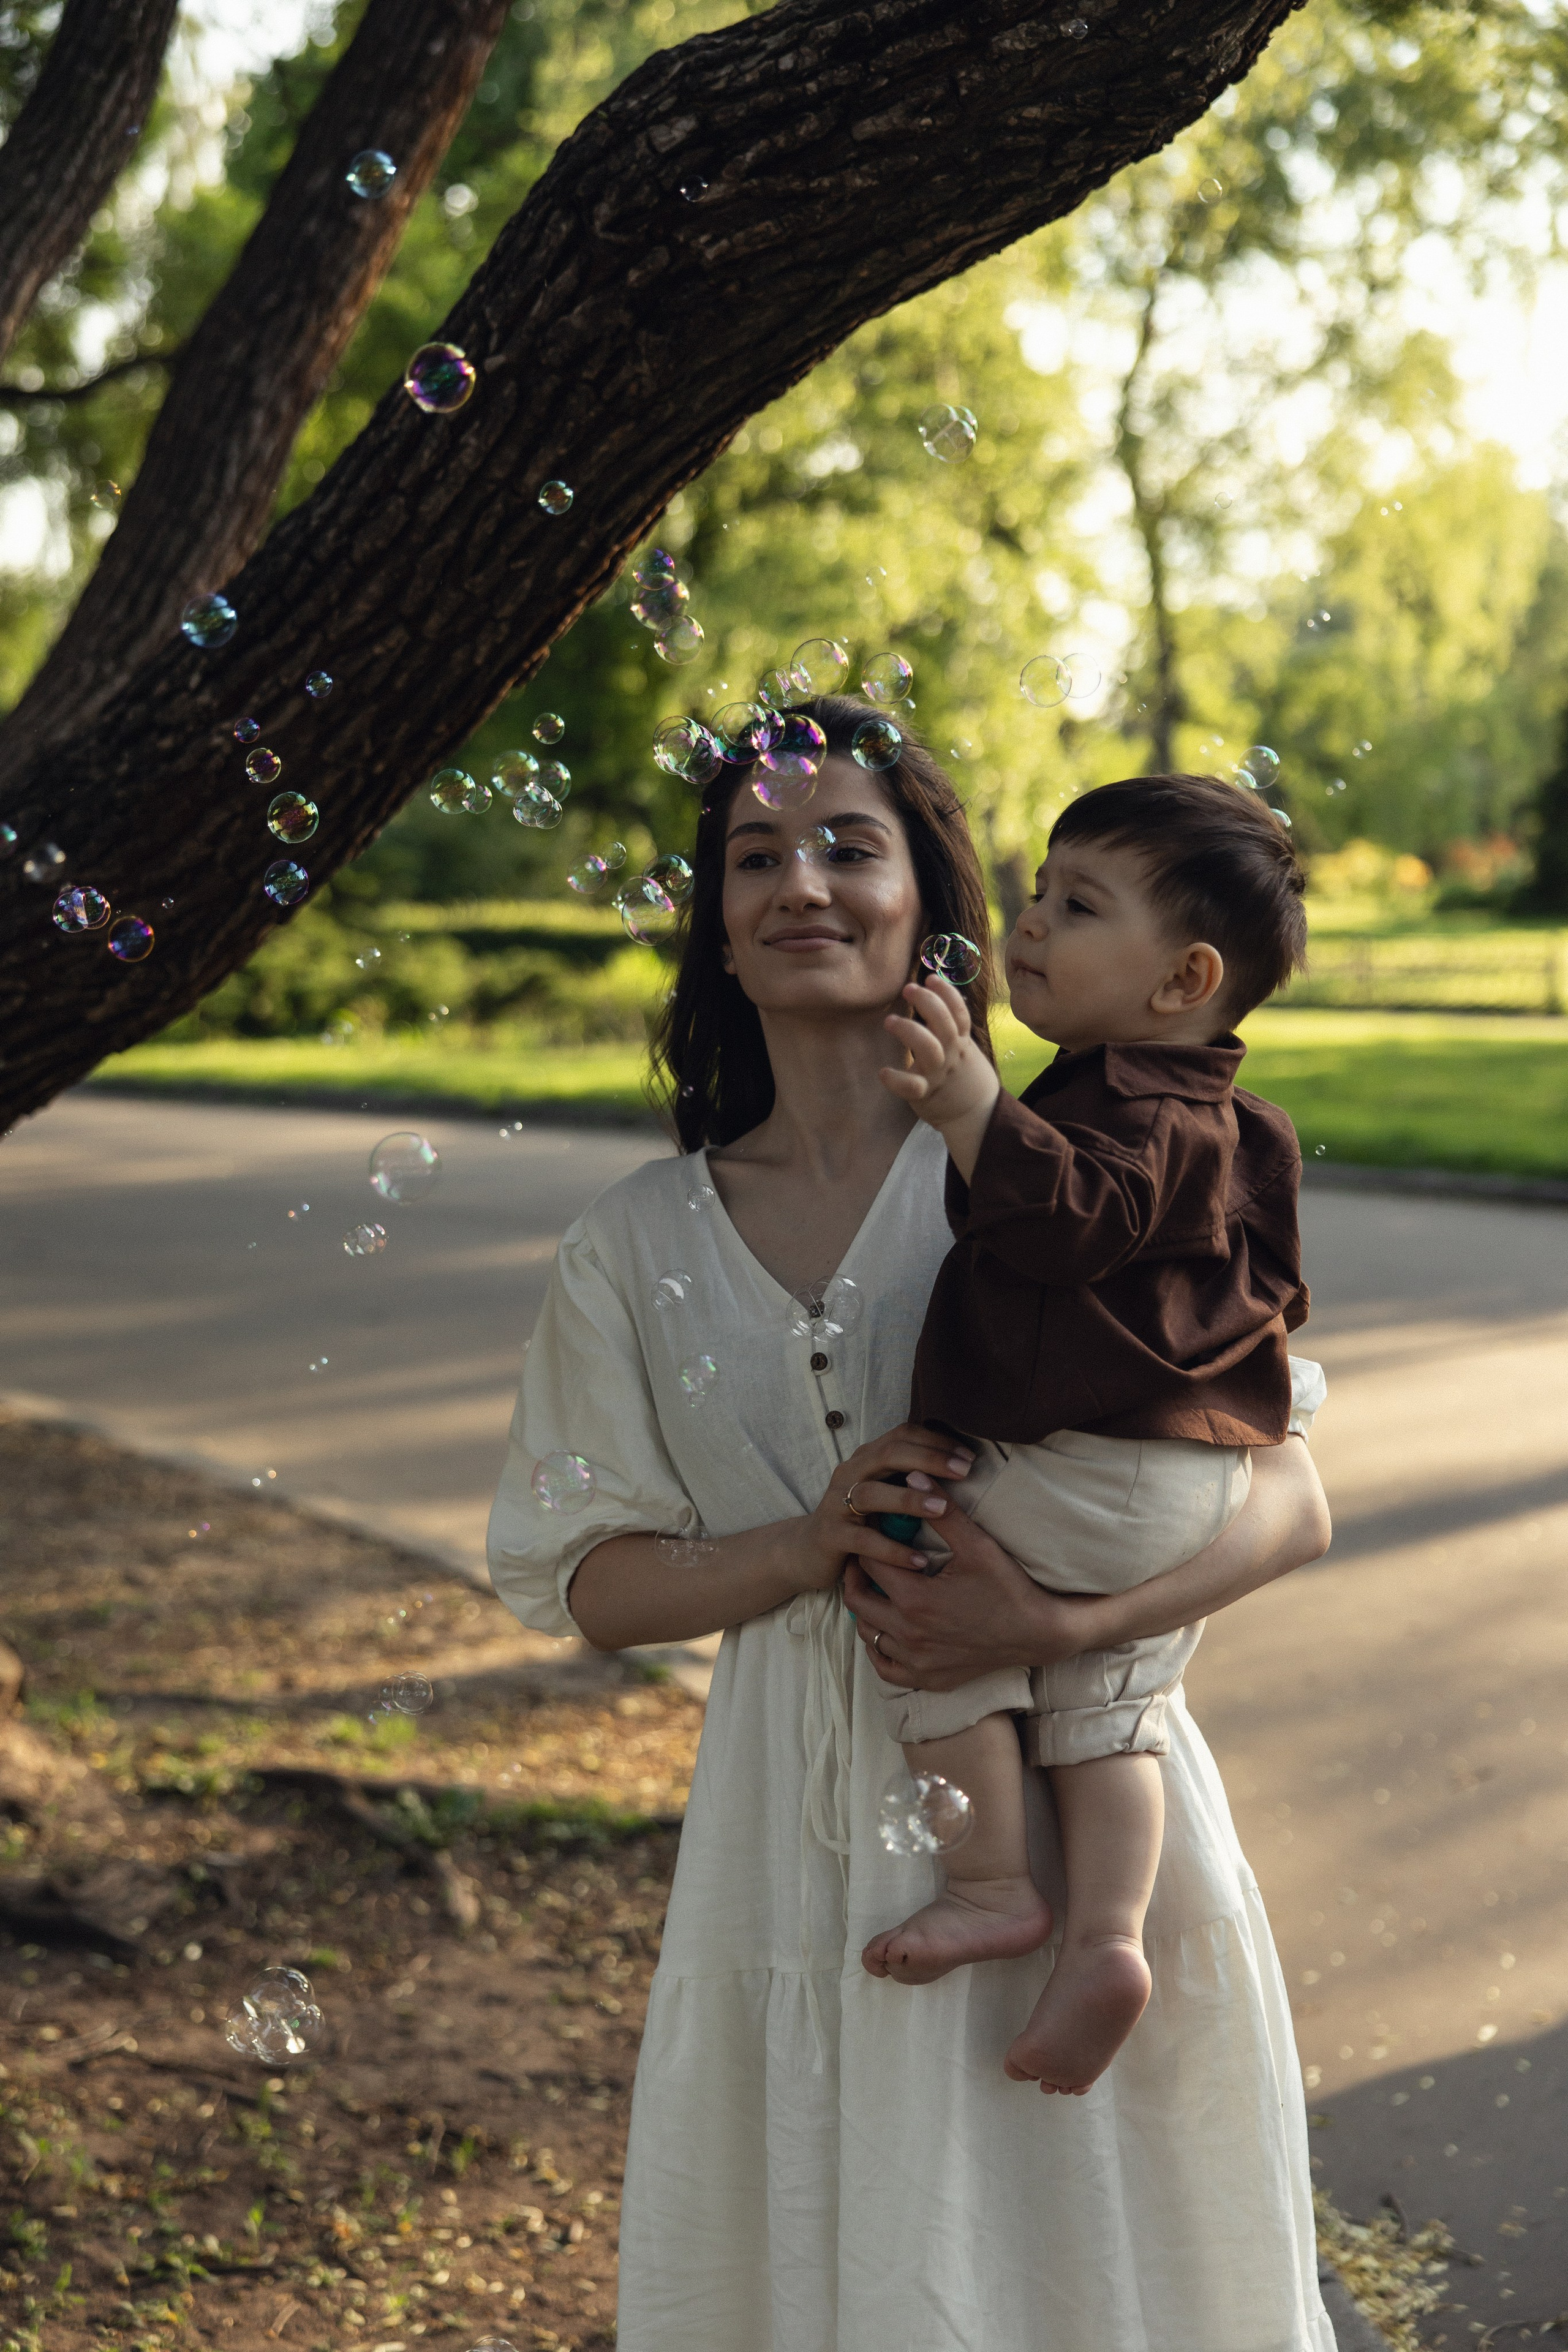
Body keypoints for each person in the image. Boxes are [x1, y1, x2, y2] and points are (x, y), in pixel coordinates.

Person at [488, 697, 1338, 2351]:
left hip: (1097, 1808)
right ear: (719, 931)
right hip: (794, 1838)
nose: (800, 881)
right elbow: (586, 1580)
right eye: (754, 855)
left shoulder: (1069, 1172)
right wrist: (806, 1547)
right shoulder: (631, 1241)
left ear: (929, 910)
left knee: (1100, 2266)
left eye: (848, 846)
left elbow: (1290, 1491)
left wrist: (1063, 1630)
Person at [860, 772, 1321, 2105]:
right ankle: (1106, 1942)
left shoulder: (1147, 1111)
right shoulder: (1219, 1121)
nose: (1027, 920)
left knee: (901, 1556)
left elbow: (1073, 1217)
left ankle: (993, 1881)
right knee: (1109, 1714)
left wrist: (965, 1110)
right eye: (1035, 889)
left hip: (1091, 1469)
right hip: (1181, 1482)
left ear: (1181, 980)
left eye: (1075, 903)